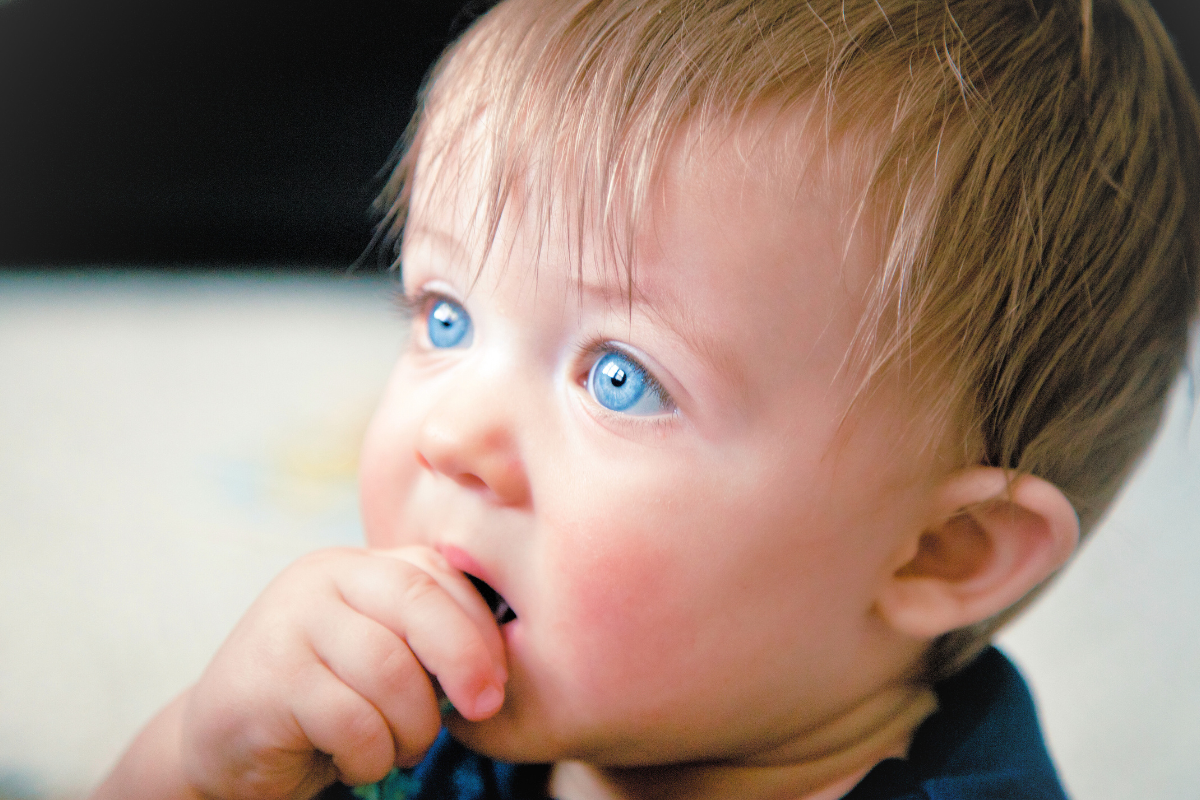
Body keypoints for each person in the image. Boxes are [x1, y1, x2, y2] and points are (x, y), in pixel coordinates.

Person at [91, 0, 1200, 798]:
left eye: (621, 378)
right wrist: (201, 761)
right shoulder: (401, 712)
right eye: (444, 318)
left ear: (940, 549)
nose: (452, 436)